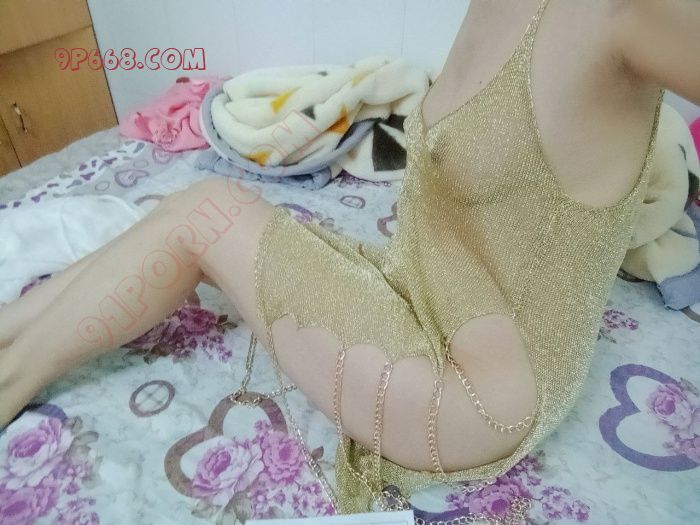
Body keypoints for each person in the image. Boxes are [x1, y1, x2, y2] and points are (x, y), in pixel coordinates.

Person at [1, 0, 698, 518]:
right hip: (419, 296)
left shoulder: (624, 10)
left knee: (205, 214)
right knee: (193, 213)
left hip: (474, 396)